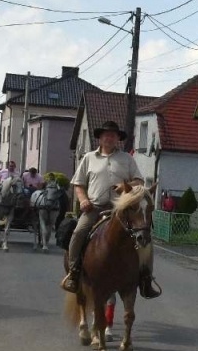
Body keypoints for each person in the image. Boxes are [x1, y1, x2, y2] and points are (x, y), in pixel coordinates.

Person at [61, 121, 162, 299]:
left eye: (113, 135)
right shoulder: (89, 158)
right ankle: (74, 273)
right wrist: (83, 200)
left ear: (118, 139)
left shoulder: (127, 159)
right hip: (94, 207)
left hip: (121, 210)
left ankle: (146, 279)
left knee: (146, 240)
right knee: (78, 232)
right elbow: (78, 184)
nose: (110, 138)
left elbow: (139, 182)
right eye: (106, 135)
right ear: (100, 138)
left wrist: (125, 186)